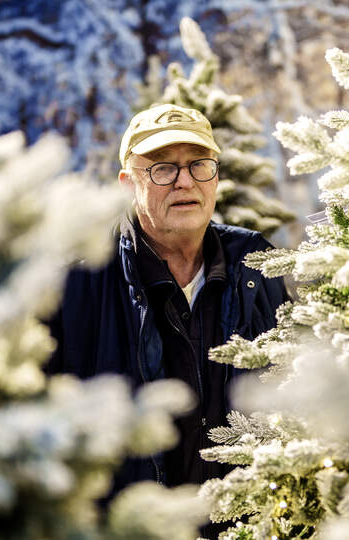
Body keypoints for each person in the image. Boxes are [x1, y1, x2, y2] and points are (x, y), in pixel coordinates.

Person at [44, 104, 290, 497]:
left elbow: (295, 392)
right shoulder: (80, 279)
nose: (184, 182)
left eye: (198, 164)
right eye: (162, 168)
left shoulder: (254, 265)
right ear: (128, 184)